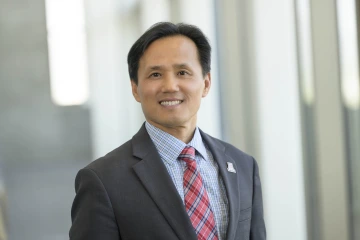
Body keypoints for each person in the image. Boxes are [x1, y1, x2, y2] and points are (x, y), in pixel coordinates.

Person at [69, 22, 266, 240]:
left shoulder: (243, 165)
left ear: (206, 83)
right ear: (135, 88)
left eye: (183, 72)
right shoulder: (103, 180)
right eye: (155, 75)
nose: (170, 86)